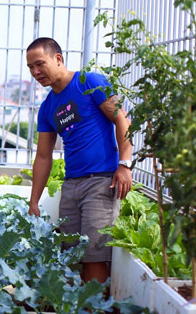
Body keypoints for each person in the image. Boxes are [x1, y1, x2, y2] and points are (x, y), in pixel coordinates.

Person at [25, 37, 133, 284]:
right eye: (30, 67)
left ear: (58, 58)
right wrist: (34, 201)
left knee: (94, 254)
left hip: (101, 182)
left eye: (39, 64)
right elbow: (43, 157)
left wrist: (125, 164)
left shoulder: (89, 82)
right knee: (71, 253)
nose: (36, 72)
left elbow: (121, 118)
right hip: (71, 185)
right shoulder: (47, 107)